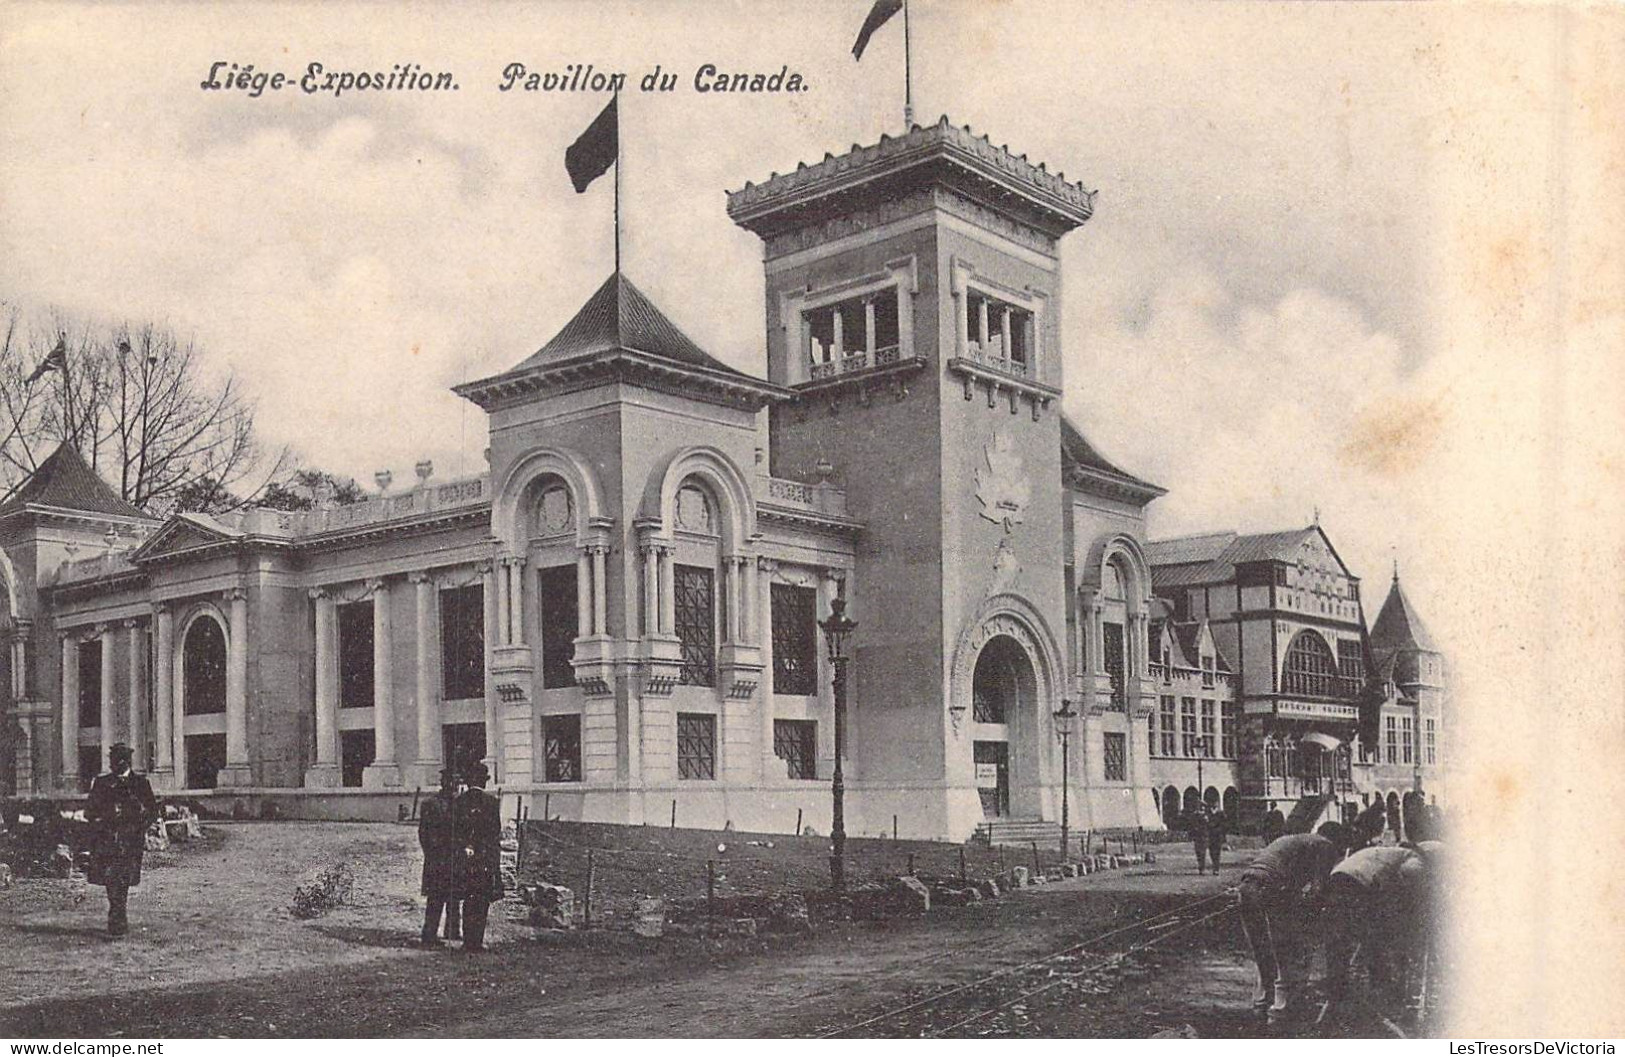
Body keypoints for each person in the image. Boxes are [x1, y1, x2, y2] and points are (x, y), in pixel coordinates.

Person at [1236, 830, 1344, 1027]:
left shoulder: (1295, 842)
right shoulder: (1325, 845)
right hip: (1270, 887)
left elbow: (1293, 884)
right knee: (1285, 953)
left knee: (1263, 952)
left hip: (1246, 886)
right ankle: (1280, 1013)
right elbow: (1317, 891)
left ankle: (1260, 1006)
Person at [1321, 844, 1430, 1020]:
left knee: (1339, 939)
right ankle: (1378, 991)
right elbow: (1406, 885)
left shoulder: (1382, 852)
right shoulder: (1414, 859)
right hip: (1359, 885)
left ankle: (1337, 994)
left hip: (1336, 879)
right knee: (1373, 937)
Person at [85, 743, 159, 936]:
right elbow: (89, 811)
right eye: (111, 760)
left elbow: (152, 811)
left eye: (115, 760)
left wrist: (139, 828)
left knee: (124, 877)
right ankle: (117, 913)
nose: (112, 764)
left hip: (130, 840)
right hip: (107, 839)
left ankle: (118, 912)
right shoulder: (101, 783)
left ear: (125, 761)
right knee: (110, 877)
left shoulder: (141, 783)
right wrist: (101, 822)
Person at [453, 761, 502, 951]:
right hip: (484, 860)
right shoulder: (491, 802)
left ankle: (467, 941)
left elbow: (454, 832)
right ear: (484, 781)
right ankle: (477, 942)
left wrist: (464, 848)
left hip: (465, 859)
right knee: (481, 900)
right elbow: (494, 833)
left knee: (468, 898)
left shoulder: (459, 802)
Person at [418, 767, 464, 946]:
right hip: (437, 857)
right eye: (450, 782)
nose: (454, 786)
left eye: (457, 782)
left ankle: (453, 930)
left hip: (456, 856)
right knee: (436, 897)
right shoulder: (430, 803)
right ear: (443, 783)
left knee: (455, 895)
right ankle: (429, 933)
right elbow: (424, 832)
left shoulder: (461, 804)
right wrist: (430, 853)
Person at [1190, 803, 1213, 875]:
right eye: (1200, 807)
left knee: (1202, 852)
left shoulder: (1206, 816)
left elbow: (1208, 826)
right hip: (1198, 836)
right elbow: (1192, 825)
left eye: (1203, 807)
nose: (1202, 809)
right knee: (1199, 852)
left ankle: (1202, 868)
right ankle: (1201, 867)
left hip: (1203, 836)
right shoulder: (1195, 815)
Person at [1206, 804, 1228, 871]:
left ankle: (1216, 868)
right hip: (1211, 836)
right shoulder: (1208, 813)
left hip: (1218, 836)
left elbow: (1224, 825)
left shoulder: (1221, 813)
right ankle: (1214, 865)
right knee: (1211, 852)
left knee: (1217, 852)